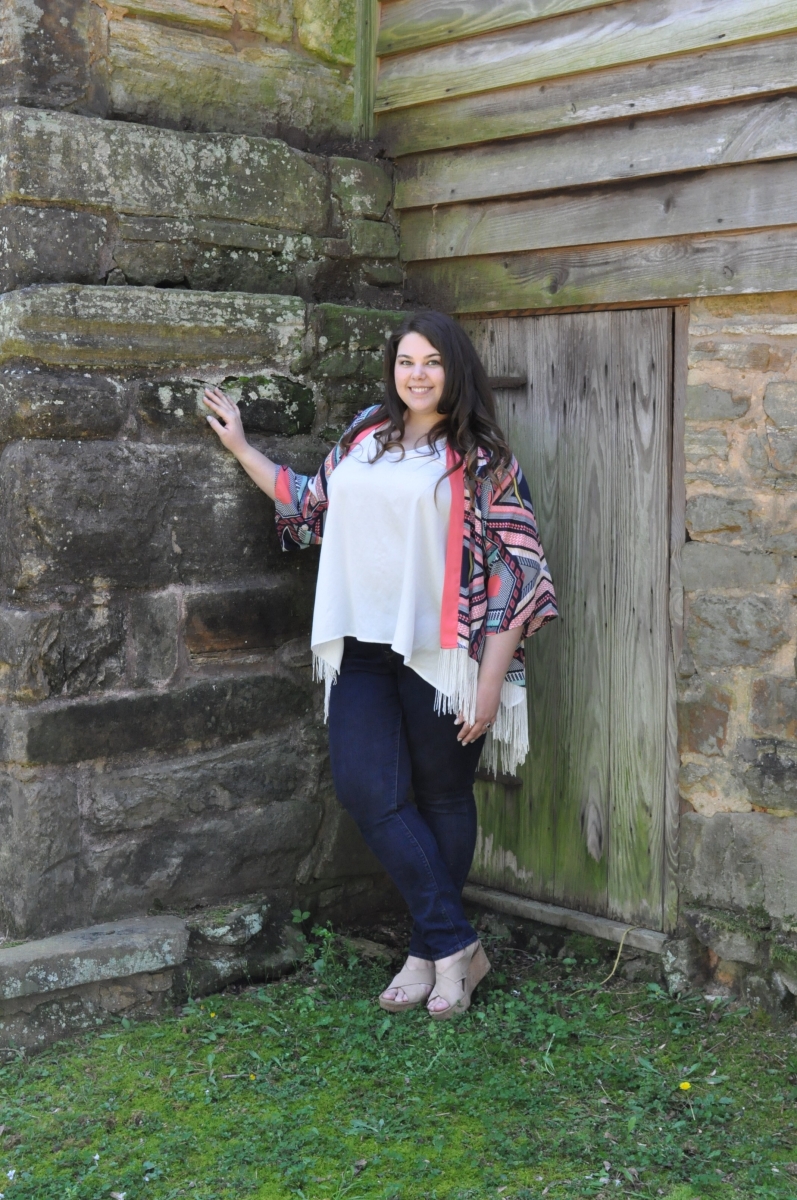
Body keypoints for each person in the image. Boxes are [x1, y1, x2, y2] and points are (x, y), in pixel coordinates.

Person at [203, 311, 557, 1019]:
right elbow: (311, 503)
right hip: (361, 645)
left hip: (445, 657)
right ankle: (456, 944)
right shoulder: (366, 432)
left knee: (444, 799)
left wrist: (488, 683)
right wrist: (242, 448)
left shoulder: (482, 458)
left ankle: (429, 955)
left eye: (431, 362)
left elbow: (521, 572)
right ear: (392, 372)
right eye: (405, 362)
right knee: (368, 792)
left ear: (454, 371)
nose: (417, 374)